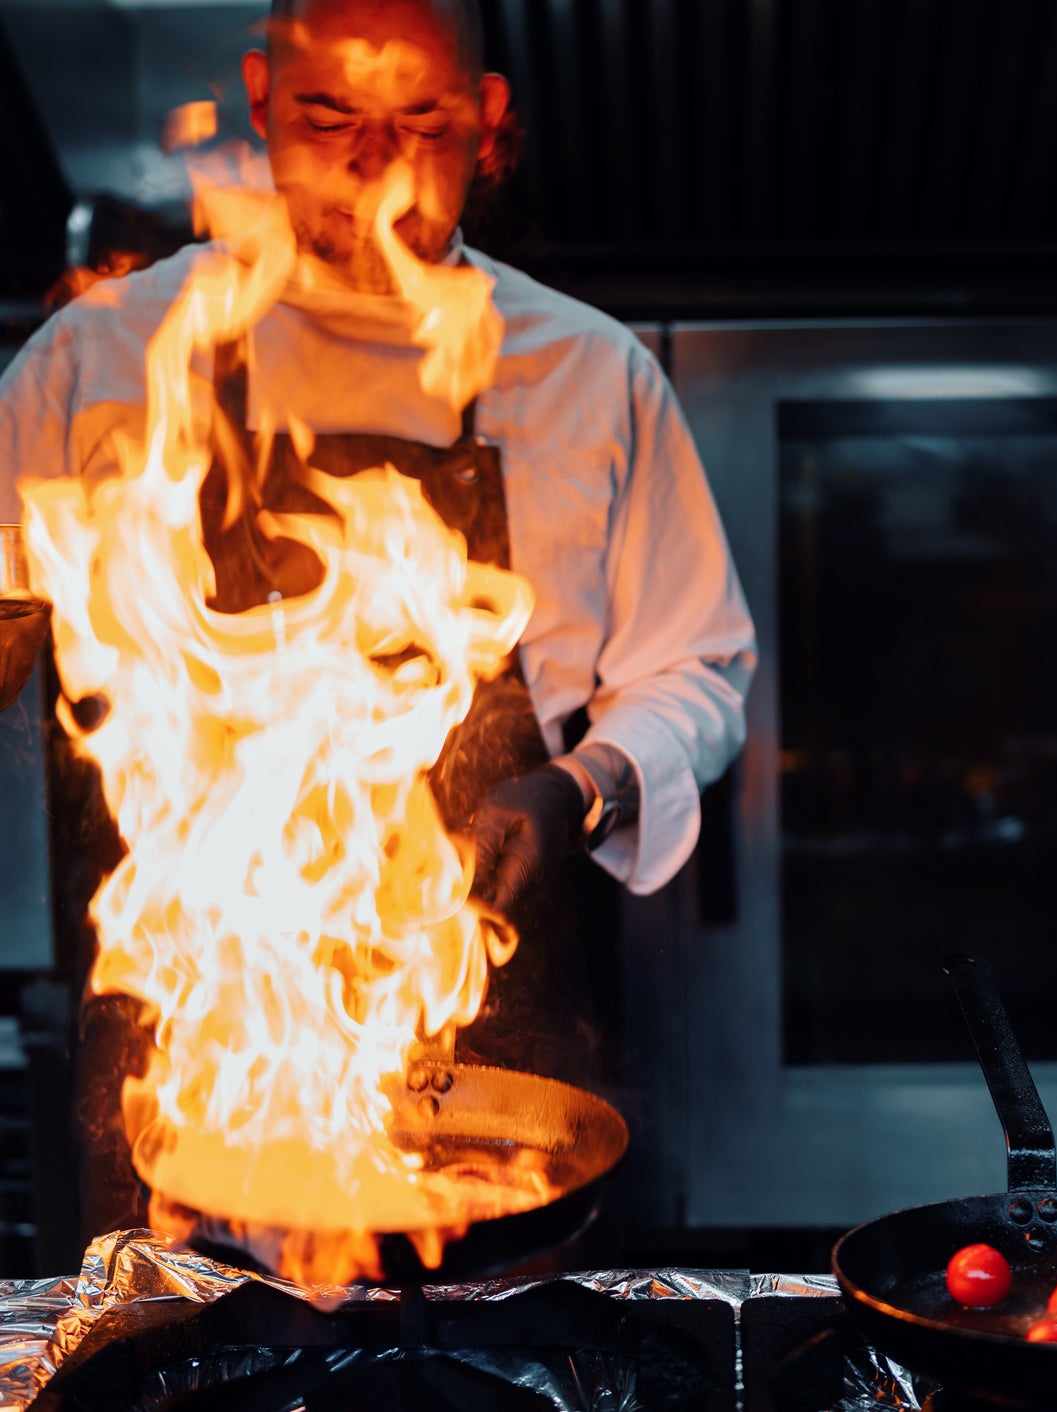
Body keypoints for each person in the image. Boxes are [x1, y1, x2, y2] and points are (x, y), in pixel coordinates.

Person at [0, 0, 755, 1247]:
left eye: (421, 122)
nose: (375, 167)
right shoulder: (104, 361)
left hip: (493, 1038)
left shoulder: (588, 372)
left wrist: (571, 792)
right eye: (327, 117)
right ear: (257, 98)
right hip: (178, 1049)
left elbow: (698, 669)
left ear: (489, 122)